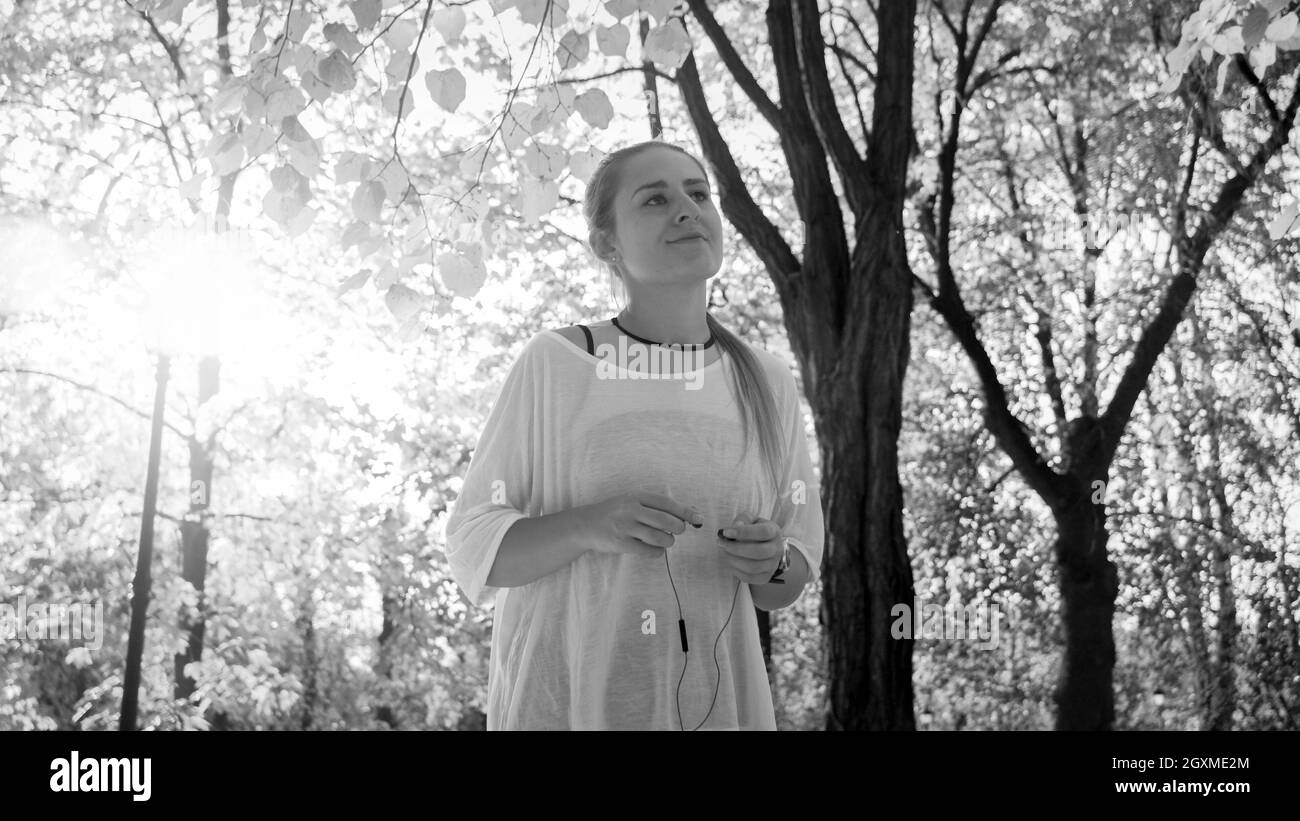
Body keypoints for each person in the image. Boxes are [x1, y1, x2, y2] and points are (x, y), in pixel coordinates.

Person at [442, 139, 824, 730]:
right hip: (565, 704)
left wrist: (770, 561)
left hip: (719, 710)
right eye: (654, 199)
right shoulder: (557, 362)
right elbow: (474, 545)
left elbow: (789, 576)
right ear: (606, 243)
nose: (686, 209)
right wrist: (591, 525)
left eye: (699, 194)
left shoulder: (767, 379)